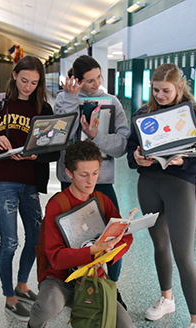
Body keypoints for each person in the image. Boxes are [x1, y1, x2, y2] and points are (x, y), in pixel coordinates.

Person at [127, 63, 196, 328]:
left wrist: (183, 162)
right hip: (149, 184)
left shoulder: (194, 113)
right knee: (159, 245)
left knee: (183, 254)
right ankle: (166, 299)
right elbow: (133, 147)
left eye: (166, 90)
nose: (160, 95)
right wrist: (135, 157)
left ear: (179, 87)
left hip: (180, 185)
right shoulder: (144, 113)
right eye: (155, 90)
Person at [0, 56, 59, 322]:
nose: (28, 87)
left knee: (35, 238)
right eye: (24, 80)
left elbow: (53, 150)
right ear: (14, 75)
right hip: (3, 180)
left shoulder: (43, 108)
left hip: (30, 182)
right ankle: (9, 297)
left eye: (34, 82)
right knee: (9, 242)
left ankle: (22, 285)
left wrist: (36, 156)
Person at [28, 140, 135, 328]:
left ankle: (85, 313)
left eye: (95, 173)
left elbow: (126, 236)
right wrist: (93, 250)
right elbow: (56, 257)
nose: (91, 181)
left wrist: (111, 252)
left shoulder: (102, 200)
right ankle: (34, 326)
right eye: (83, 175)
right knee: (48, 307)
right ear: (69, 173)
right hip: (60, 279)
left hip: (92, 277)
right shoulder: (57, 205)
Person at [53, 55, 130, 303]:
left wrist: (97, 136)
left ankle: (112, 286)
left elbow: (121, 145)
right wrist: (71, 100)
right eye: (89, 81)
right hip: (71, 180)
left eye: (99, 78)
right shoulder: (63, 99)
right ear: (76, 80)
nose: (96, 84)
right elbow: (57, 134)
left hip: (103, 179)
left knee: (114, 233)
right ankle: (77, 286)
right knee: (73, 237)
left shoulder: (112, 102)